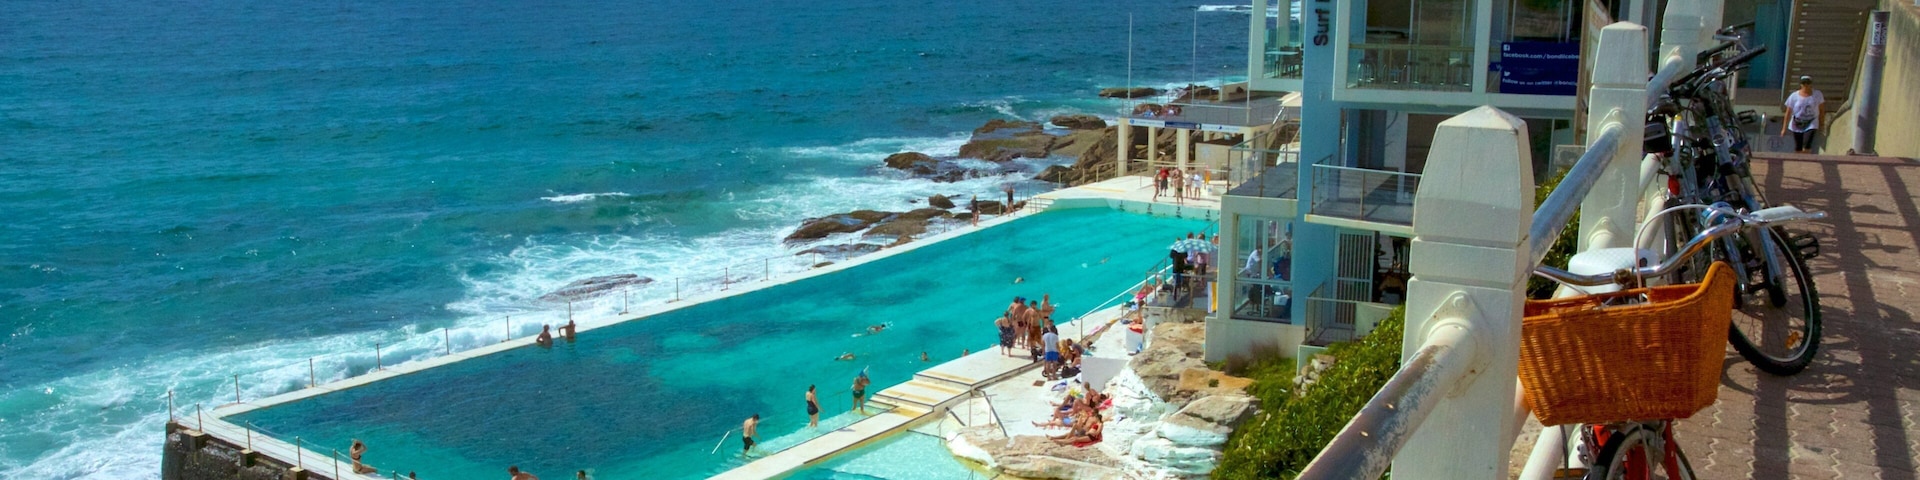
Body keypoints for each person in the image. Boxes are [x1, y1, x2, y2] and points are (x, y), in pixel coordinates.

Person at [1782, 75, 1826, 153]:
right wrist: (1784, 128)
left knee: (1807, 143)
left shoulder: (1817, 94)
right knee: (1798, 146)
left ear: (1811, 84)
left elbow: (1822, 110)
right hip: (1797, 122)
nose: (1806, 85)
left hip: (1811, 121)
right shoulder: (1794, 96)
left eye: (1807, 83)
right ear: (1801, 84)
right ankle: (1799, 161)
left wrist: (1821, 123)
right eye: (1804, 83)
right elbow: (1788, 112)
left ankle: (1806, 158)